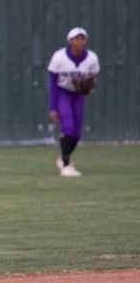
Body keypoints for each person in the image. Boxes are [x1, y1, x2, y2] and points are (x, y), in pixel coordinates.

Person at [47, 27, 100, 177]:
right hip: (63, 92)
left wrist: (88, 86)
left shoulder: (91, 58)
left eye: (83, 39)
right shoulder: (59, 57)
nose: (80, 42)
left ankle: (63, 157)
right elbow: (52, 83)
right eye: (76, 39)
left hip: (78, 95)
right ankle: (66, 165)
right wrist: (53, 107)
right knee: (68, 128)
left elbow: (93, 77)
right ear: (70, 41)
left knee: (76, 135)